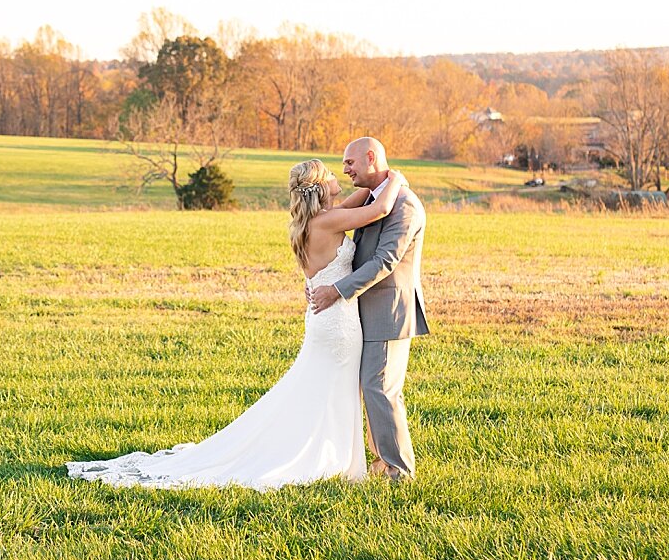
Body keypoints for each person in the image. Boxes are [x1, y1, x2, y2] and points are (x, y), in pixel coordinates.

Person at [65, 157, 408, 490]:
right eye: (332, 173)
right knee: (331, 389)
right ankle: (321, 457)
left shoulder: (318, 218)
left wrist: (378, 179)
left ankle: (329, 453)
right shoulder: (327, 222)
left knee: (322, 388)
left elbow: (361, 198)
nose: (340, 175)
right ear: (320, 187)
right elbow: (377, 209)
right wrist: (395, 179)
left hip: (326, 320)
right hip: (337, 322)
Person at [308, 136, 428, 481]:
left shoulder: (404, 205)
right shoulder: (376, 197)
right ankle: (380, 461)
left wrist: (337, 290)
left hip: (388, 312)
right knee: (370, 387)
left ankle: (399, 470)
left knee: (380, 388)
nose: (345, 169)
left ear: (371, 157)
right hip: (364, 311)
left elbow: (385, 260)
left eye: (349, 163)